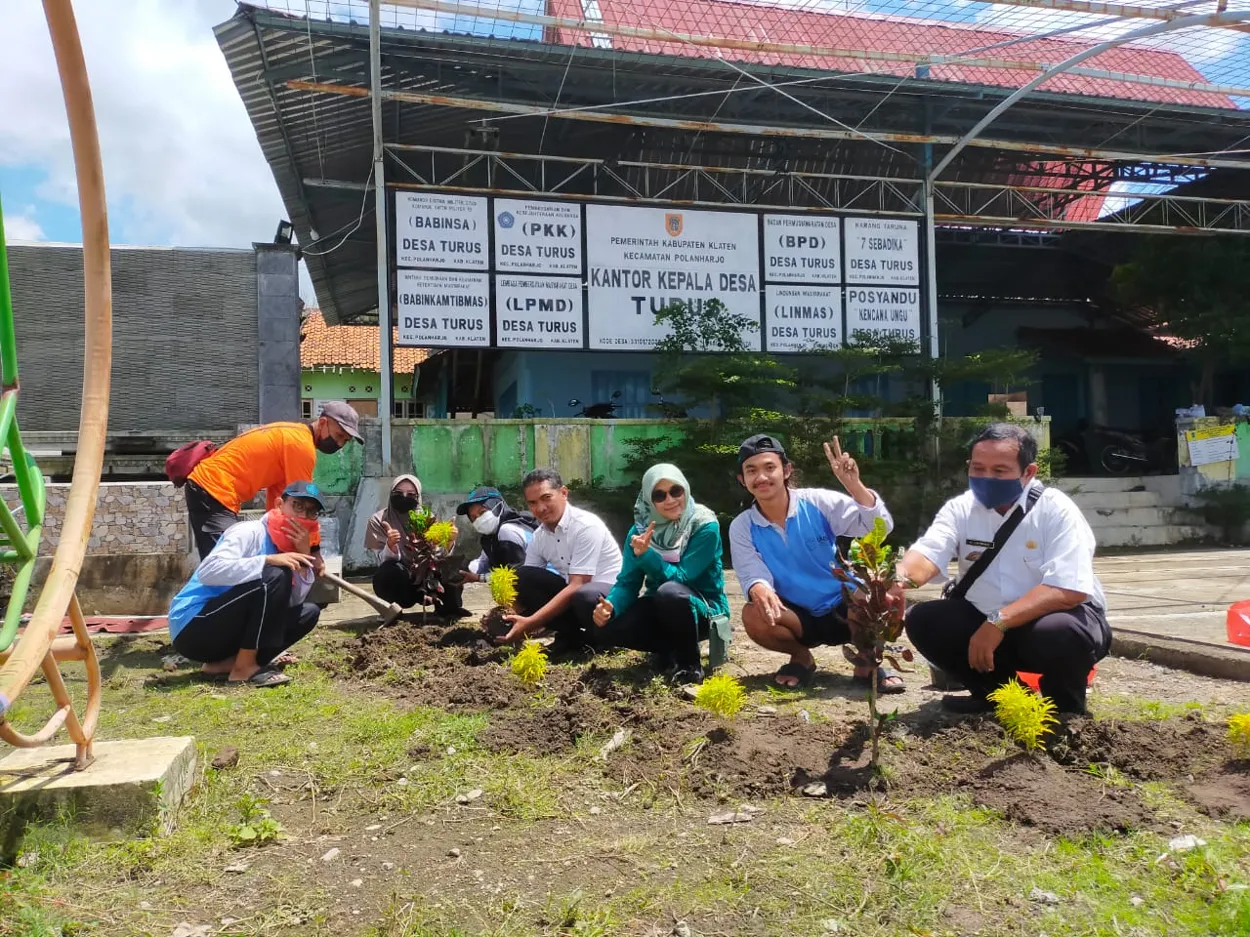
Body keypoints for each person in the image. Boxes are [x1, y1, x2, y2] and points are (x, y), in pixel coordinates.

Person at [897, 423, 1111, 715]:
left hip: (1053, 622)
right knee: (925, 620)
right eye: (978, 468)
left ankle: (1065, 712)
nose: (986, 478)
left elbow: (1069, 589)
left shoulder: (1055, 509)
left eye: (999, 471)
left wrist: (999, 622)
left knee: (1057, 632)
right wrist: (894, 582)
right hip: (985, 624)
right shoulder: (961, 509)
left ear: (1029, 472)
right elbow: (928, 553)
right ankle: (1002, 700)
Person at [728, 433, 900, 691]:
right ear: (743, 480)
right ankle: (801, 658)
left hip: (847, 607)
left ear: (786, 470)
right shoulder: (742, 526)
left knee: (887, 590)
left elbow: (879, 527)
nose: (761, 477)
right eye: (751, 471)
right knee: (753, 614)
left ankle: (867, 660)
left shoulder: (816, 502)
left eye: (769, 467)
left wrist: (854, 485)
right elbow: (752, 572)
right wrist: (758, 587)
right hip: (797, 616)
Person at [168, 481, 326, 687]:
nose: (303, 516)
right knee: (277, 573)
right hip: (194, 626)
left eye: (312, 512)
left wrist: (304, 557)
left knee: (308, 612)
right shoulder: (248, 532)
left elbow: (290, 603)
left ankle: (225, 664)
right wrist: (267, 561)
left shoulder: (288, 547)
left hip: (227, 633)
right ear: (279, 504)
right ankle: (244, 668)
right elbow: (209, 572)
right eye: (297, 506)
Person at [592, 464, 728, 685]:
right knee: (605, 628)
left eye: (676, 491)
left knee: (670, 593)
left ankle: (689, 666)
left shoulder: (704, 526)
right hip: (659, 605)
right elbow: (627, 582)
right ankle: (668, 650)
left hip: (702, 609)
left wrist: (647, 556)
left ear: (685, 489)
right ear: (648, 499)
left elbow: (682, 578)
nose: (670, 500)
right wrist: (610, 606)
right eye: (659, 495)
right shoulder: (639, 531)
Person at [184, 401, 362, 558]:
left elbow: (279, 507)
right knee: (225, 564)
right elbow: (304, 505)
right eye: (339, 436)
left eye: (345, 441)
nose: (339, 445)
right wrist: (314, 552)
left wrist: (278, 546)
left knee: (231, 564)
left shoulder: (293, 436)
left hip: (214, 488)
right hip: (213, 487)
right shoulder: (301, 446)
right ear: (323, 423)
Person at [498, 467, 622, 650]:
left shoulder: (586, 526)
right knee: (520, 577)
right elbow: (527, 583)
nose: (540, 508)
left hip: (608, 600)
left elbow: (578, 584)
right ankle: (573, 638)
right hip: (577, 597)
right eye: (532, 503)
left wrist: (531, 622)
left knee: (584, 595)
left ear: (563, 493)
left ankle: (602, 638)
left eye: (546, 498)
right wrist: (504, 615)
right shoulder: (540, 536)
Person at [364, 474, 468, 617]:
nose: (404, 497)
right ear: (391, 494)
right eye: (398, 493)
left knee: (456, 566)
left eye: (411, 494)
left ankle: (449, 608)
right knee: (387, 572)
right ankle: (392, 610)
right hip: (403, 582)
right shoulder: (379, 520)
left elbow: (439, 556)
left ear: (418, 496)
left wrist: (449, 541)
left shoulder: (427, 518)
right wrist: (391, 546)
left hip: (428, 577)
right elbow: (381, 561)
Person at [455, 486, 541, 581]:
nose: (479, 519)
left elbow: (516, 574)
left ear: (498, 506)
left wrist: (480, 578)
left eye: (482, 512)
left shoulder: (507, 531)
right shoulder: (490, 537)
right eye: (474, 518)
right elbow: (482, 563)